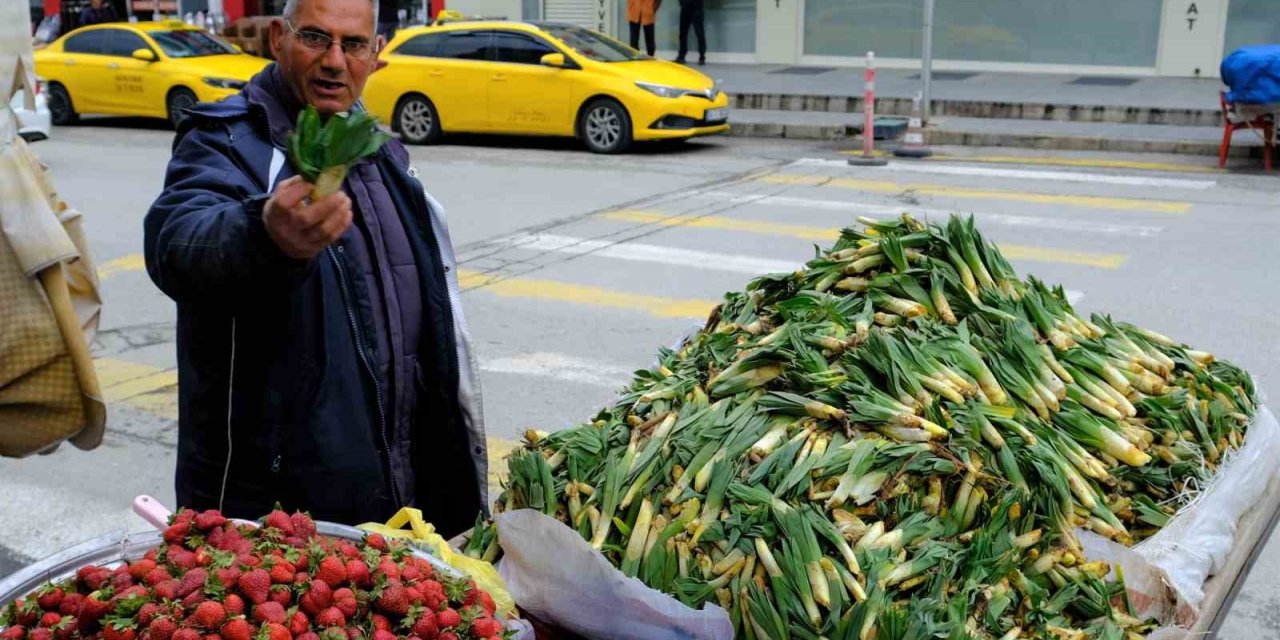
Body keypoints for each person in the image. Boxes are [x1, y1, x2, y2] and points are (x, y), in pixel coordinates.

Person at [143, 0, 488, 536]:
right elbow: (177, 243)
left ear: (376, 55)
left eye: (352, 45)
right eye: (314, 38)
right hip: (279, 513)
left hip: (397, 496)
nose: (334, 61)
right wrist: (264, 233)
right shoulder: (227, 139)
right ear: (279, 38)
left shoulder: (382, 152)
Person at [675, 0, 705, 66]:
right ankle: (681, 55)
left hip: (697, 7)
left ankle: (702, 56)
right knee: (682, 33)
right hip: (685, 7)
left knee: (699, 33)